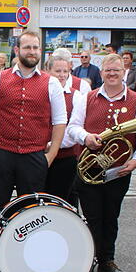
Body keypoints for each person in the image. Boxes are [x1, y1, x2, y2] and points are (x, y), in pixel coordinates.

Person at [0, 30, 68, 272]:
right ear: (17, 50)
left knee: (31, 216)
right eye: (27, 47)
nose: (32, 52)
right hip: (0, 155)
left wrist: (50, 156)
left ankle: (26, 269)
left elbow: (59, 122)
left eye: (36, 48)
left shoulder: (51, 83)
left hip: (34, 157)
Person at [67, 53, 136, 272]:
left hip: (118, 170)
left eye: (116, 70)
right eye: (108, 70)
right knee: (91, 217)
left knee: (111, 216)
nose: (112, 74)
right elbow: (72, 128)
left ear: (123, 71)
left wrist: (135, 161)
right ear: (101, 72)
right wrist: (86, 137)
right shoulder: (87, 97)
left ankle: (107, 259)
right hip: (89, 168)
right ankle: (89, 259)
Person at [44, 49, 88, 202]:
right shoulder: (40, 92)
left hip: (65, 158)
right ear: (47, 71)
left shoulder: (75, 95)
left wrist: (52, 145)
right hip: (39, 156)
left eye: (65, 71)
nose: (62, 75)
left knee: (62, 201)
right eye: (57, 71)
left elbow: (74, 128)